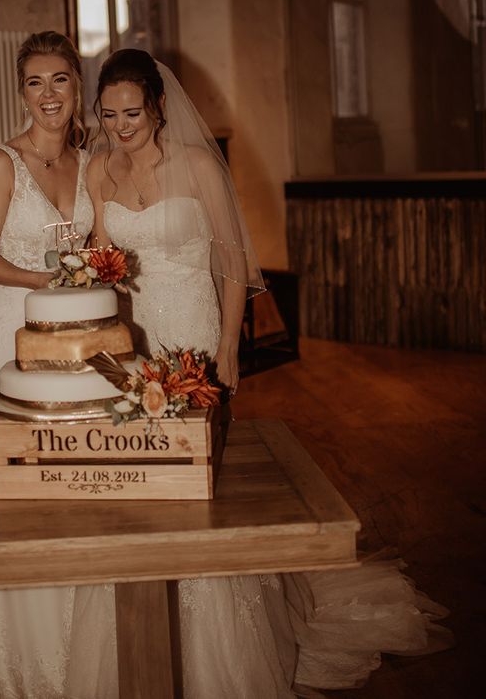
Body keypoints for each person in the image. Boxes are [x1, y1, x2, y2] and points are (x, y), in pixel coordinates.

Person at [85, 48, 452, 697]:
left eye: (132, 113)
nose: (120, 125)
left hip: (192, 336)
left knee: (200, 493)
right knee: (142, 490)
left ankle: (218, 650)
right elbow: (98, 258)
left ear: (159, 107)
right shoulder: (99, 172)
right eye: (109, 114)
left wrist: (227, 346)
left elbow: (232, 263)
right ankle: (147, 636)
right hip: (133, 344)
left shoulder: (197, 165)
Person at [0, 32, 117, 698]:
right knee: (28, 489)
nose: (48, 95)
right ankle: (23, 656)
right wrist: (45, 278)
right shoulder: (1, 164)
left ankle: (83, 644)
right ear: (20, 92)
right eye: (35, 82)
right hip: (11, 336)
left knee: (83, 477)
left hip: (78, 339)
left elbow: (99, 246)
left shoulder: (92, 161)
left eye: (60, 80)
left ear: (77, 87)